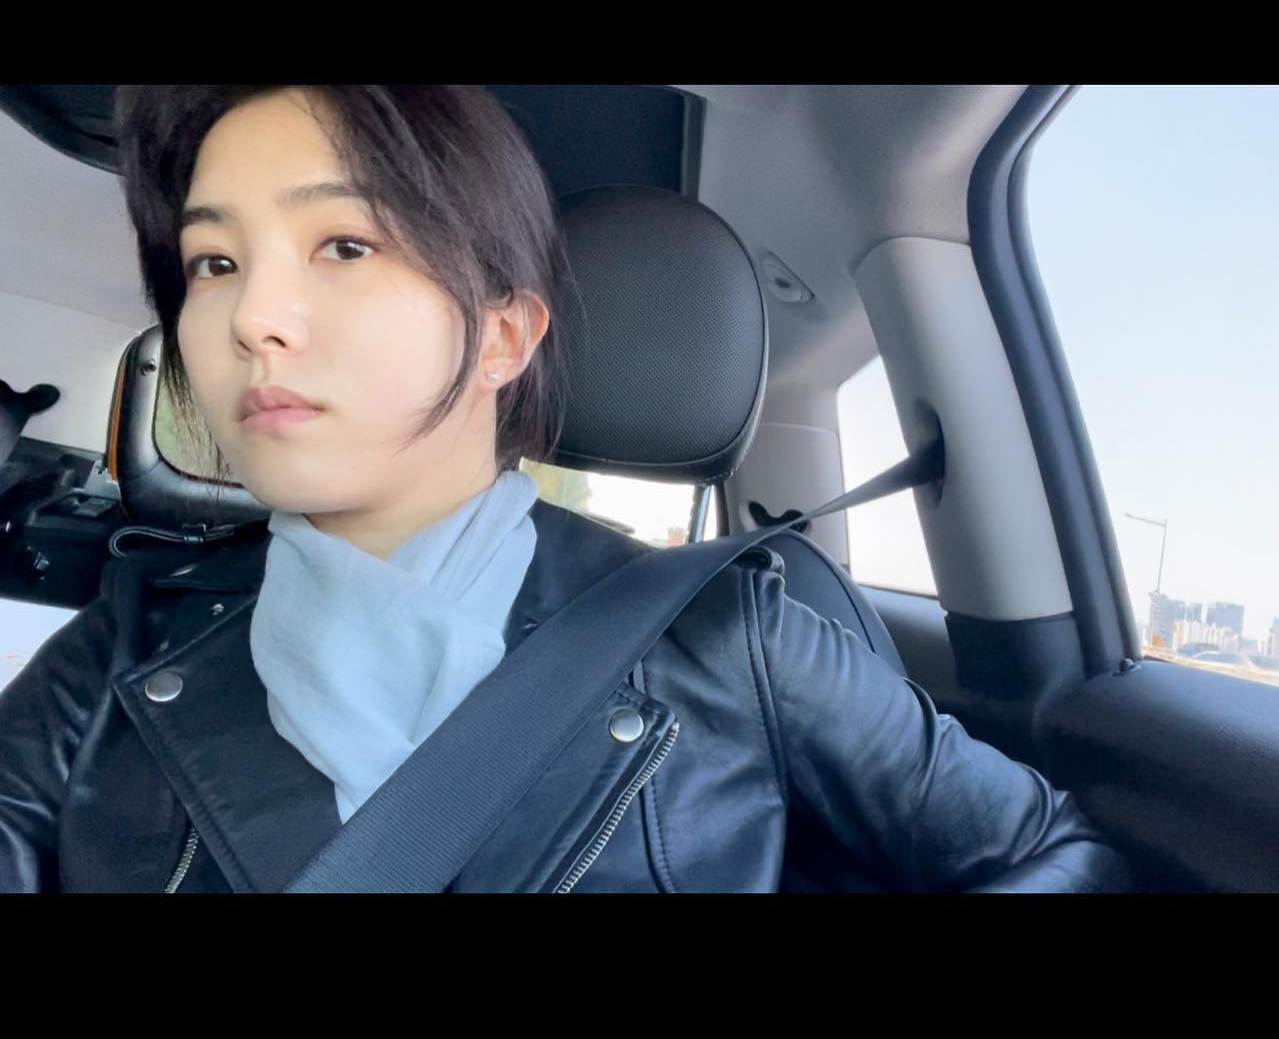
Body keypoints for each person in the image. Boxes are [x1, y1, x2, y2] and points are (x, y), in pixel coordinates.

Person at [0, 85, 1134, 894]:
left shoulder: (731, 637)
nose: (252, 317)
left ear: (503, 337)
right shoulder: (109, 660)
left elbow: (1056, 859)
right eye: (214, 262)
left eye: (344, 244)